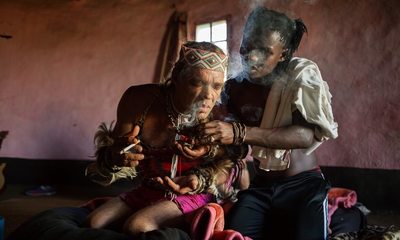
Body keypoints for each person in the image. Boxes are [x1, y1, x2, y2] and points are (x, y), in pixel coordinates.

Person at [194, 7, 338, 240]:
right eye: (248, 46)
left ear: (283, 54)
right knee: (233, 235)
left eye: (264, 51)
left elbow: (304, 136)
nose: (252, 56)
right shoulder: (235, 87)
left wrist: (239, 133)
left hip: (303, 185)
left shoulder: (300, 76)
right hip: (261, 186)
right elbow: (238, 145)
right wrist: (216, 140)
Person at [84, 41, 249, 237]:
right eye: (196, 83)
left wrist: (201, 179)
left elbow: (237, 166)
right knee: (93, 223)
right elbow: (112, 157)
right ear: (177, 77)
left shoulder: (221, 114)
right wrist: (118, 156)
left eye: (216, 86)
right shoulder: (141, 101)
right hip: (150, 188)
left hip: (195, 192)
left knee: (137, 226)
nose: (208, 95)